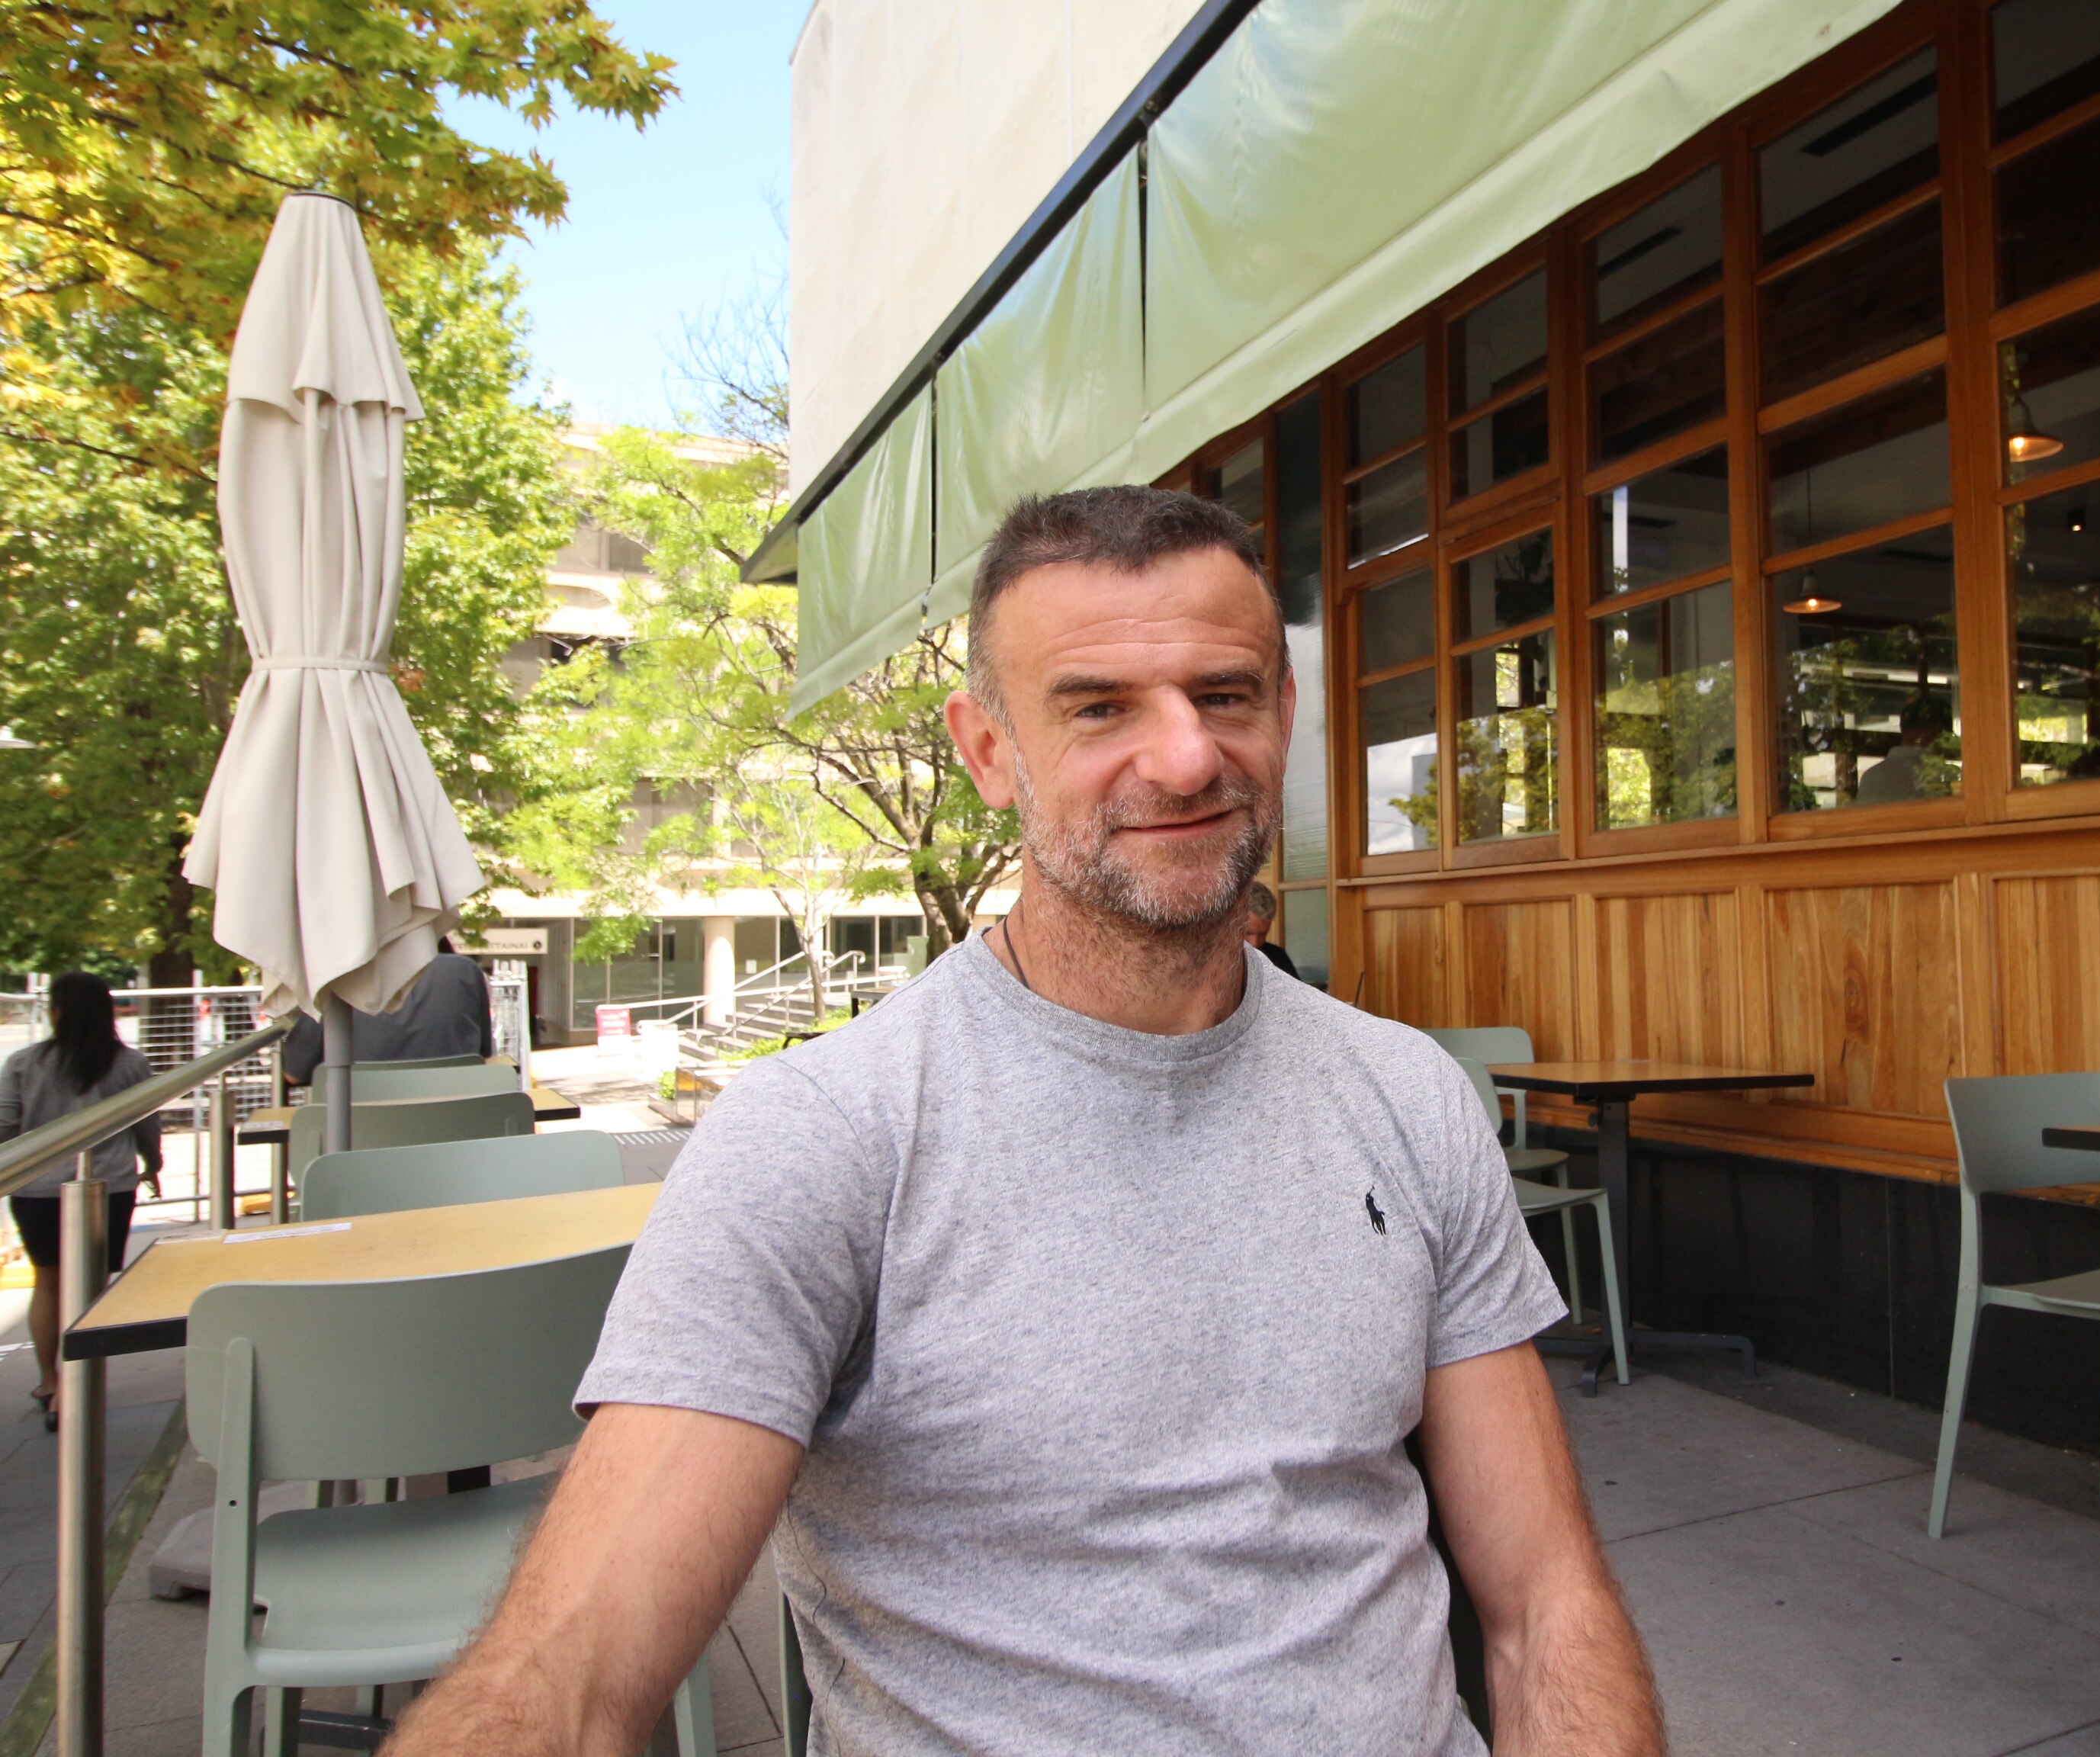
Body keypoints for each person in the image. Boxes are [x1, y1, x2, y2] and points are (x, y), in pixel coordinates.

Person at [389, 487, 1662, 1756]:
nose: (1185, 758)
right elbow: (567, 1676)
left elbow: (1546, 1603)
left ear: (1283, 713)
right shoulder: (824, 1135)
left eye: (1223, 694)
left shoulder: (1410, 1095)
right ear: (990, 751)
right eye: (1099, 706)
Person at [0, 972, 160, 1430]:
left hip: (36, 1187)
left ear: (56, 1012)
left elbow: (5, 1125)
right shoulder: (129, 1064)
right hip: (108, 1187)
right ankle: (76, 1385)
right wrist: (152, 1163)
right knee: (90, 1286)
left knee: (47, 1281)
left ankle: (49, 1381)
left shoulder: (23, 1063)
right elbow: (146, 1124)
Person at [278, 936, 493, 1083]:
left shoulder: (338, 977)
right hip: (456, 1127)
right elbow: (483, 1053)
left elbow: (293, 1074)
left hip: (360, 1130)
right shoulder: (464, 971)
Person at [1242, 877, 1299, 980]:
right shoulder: (1214, 957)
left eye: (1262, 935)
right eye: (1248, 933)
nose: (1255, 943)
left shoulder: (1278, 958)